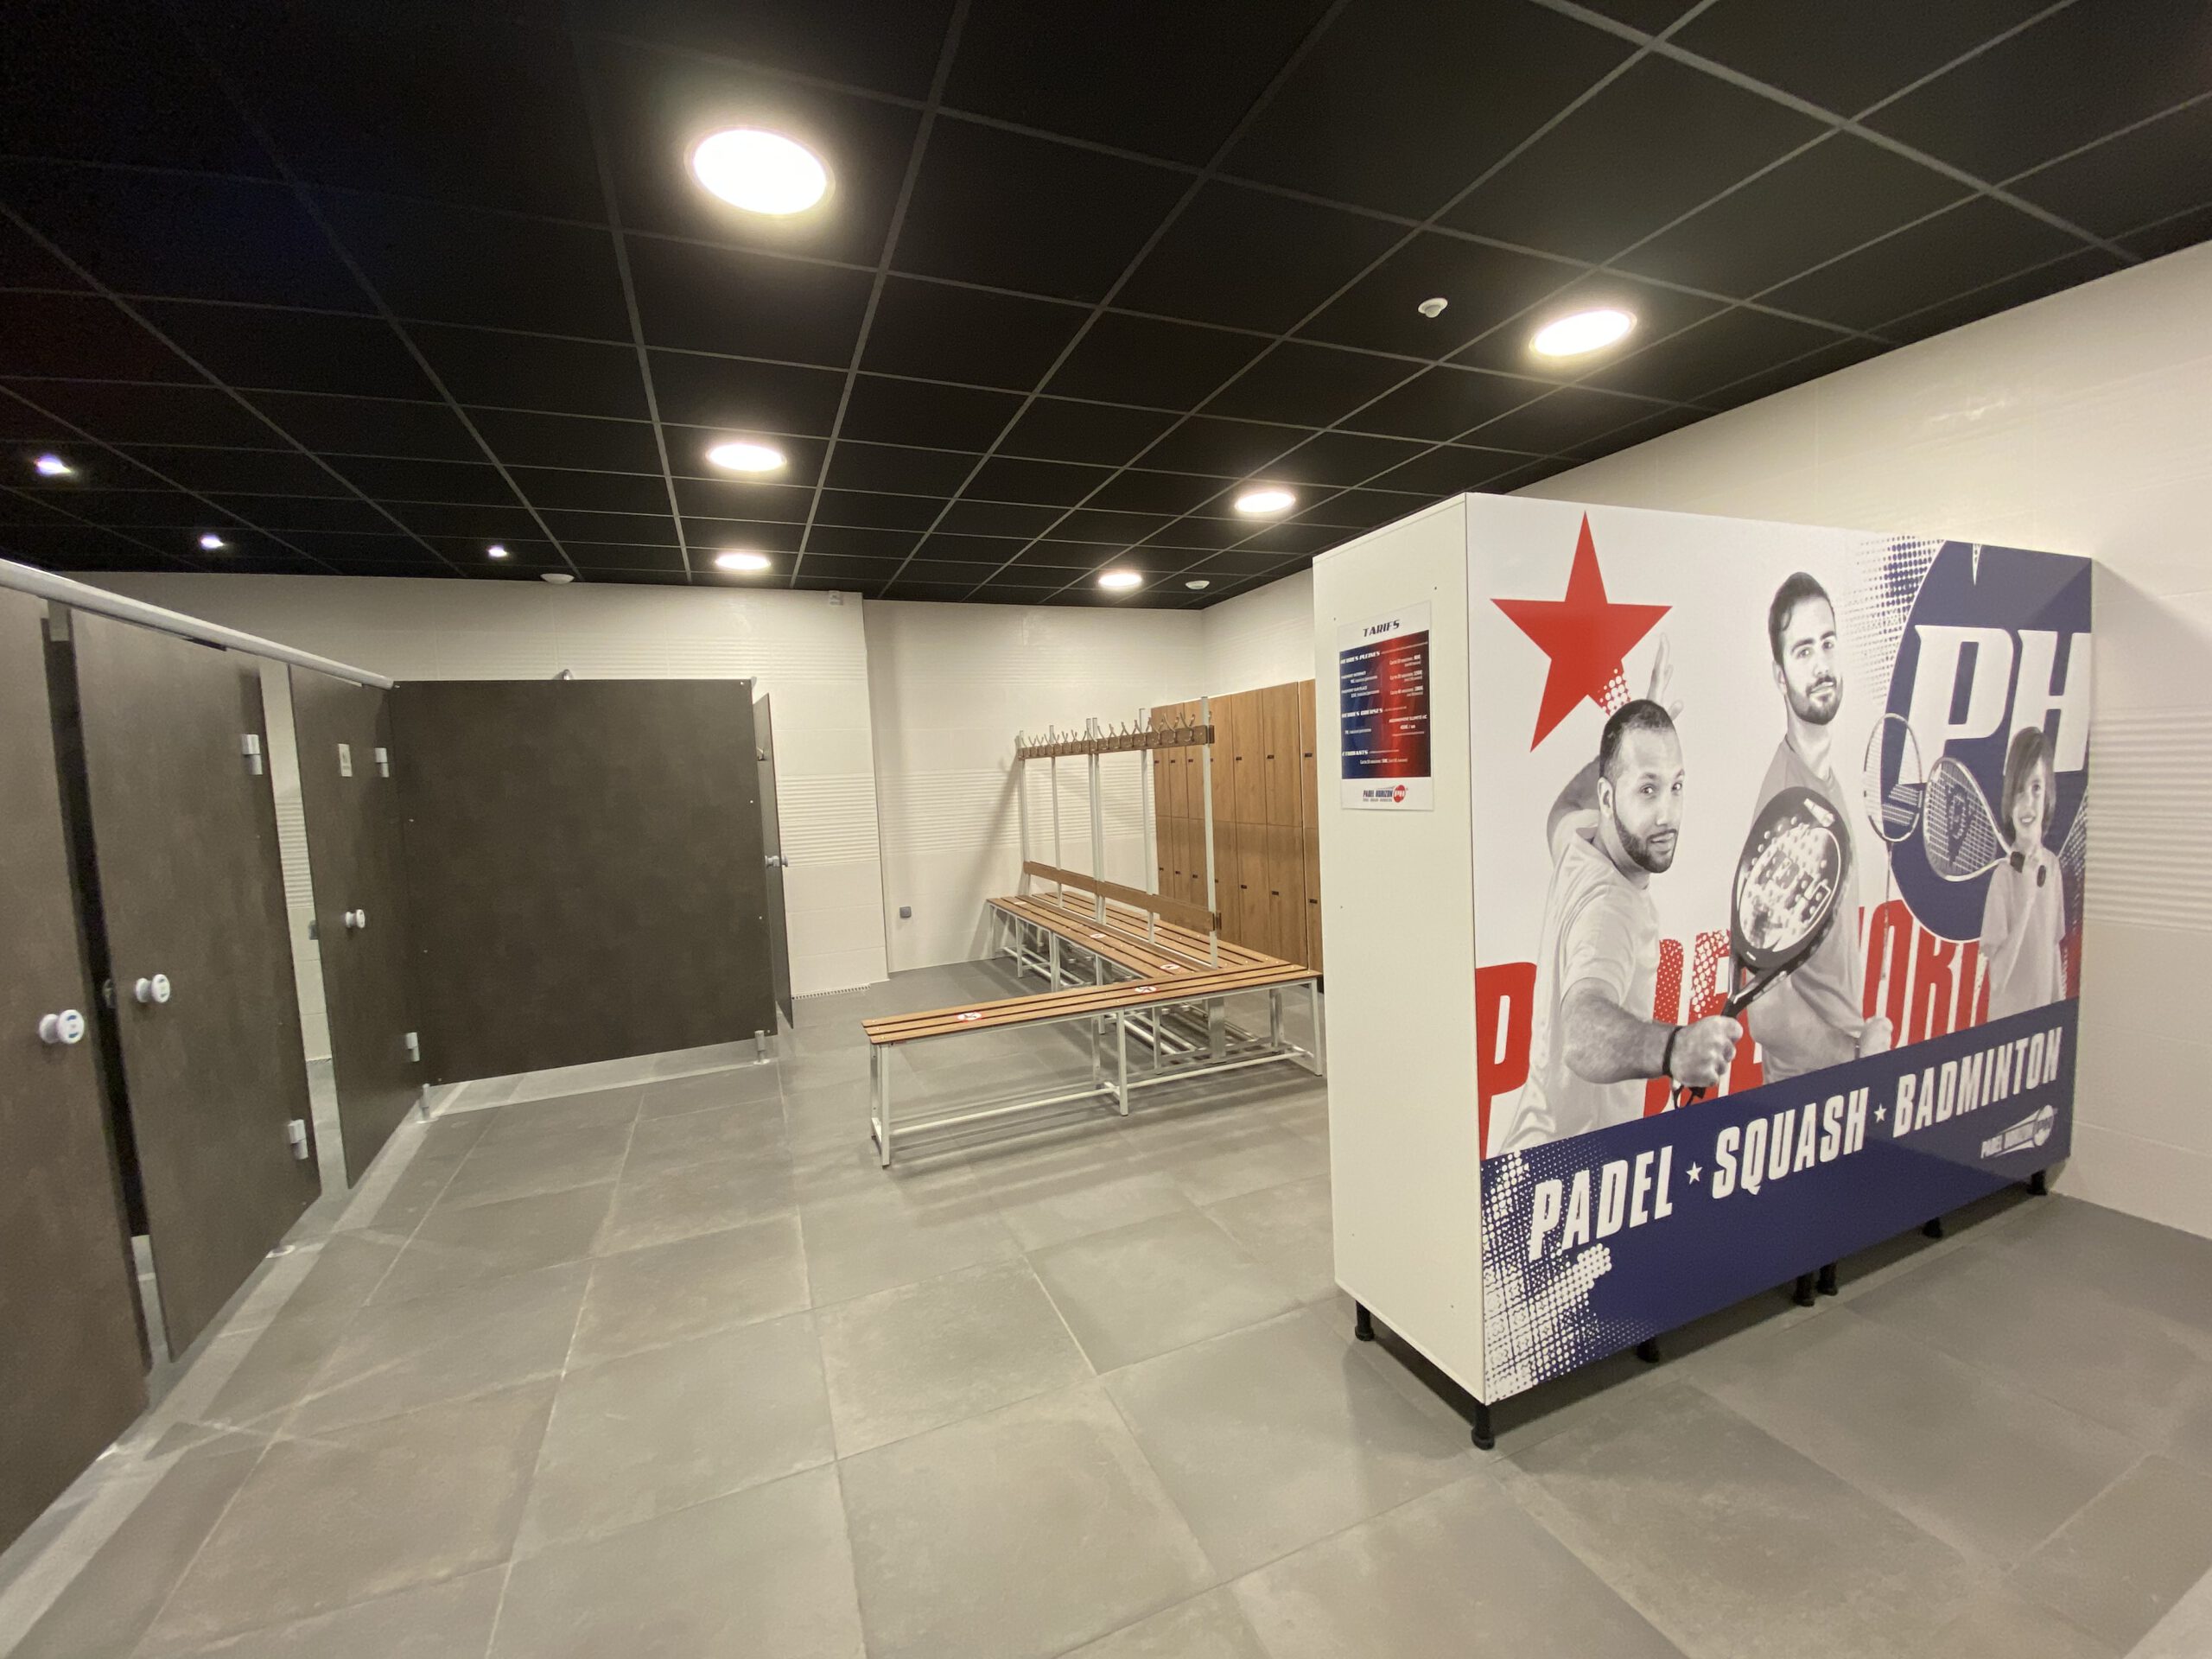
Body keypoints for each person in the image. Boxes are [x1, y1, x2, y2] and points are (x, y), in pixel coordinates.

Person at [1491, 669, 1740, 1154]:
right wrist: (1674, 1048)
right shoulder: (1612, 911)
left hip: (1529, 1147)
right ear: (1608, 797)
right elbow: (1581, 1033)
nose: (1667, 814)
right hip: (1573, 1166)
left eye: (1676, 786)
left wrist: (1624, 749)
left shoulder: (1579, 842)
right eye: (1647, 789)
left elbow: (1563, 806)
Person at [1749, 574, 1892, 1082]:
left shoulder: (1821, 780)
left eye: (1828, 644)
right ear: (1780, 675)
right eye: (1803, 651)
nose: (1821, 665)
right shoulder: (1789, 810)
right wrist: (1854, 1056)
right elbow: (1765, 1009)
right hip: (1808, 1094)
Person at [1980, 726, 2067, 1017]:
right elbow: (1997, 980)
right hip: (2008, 1031)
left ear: (2048, 794)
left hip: (2041, 1029)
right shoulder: (2003, 878)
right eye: (2019, 790)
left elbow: (2052, 952)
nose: (2027, 803)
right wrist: (2028, 897)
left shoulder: (2052, 866)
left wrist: (2058, 1018)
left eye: (2036, 788)